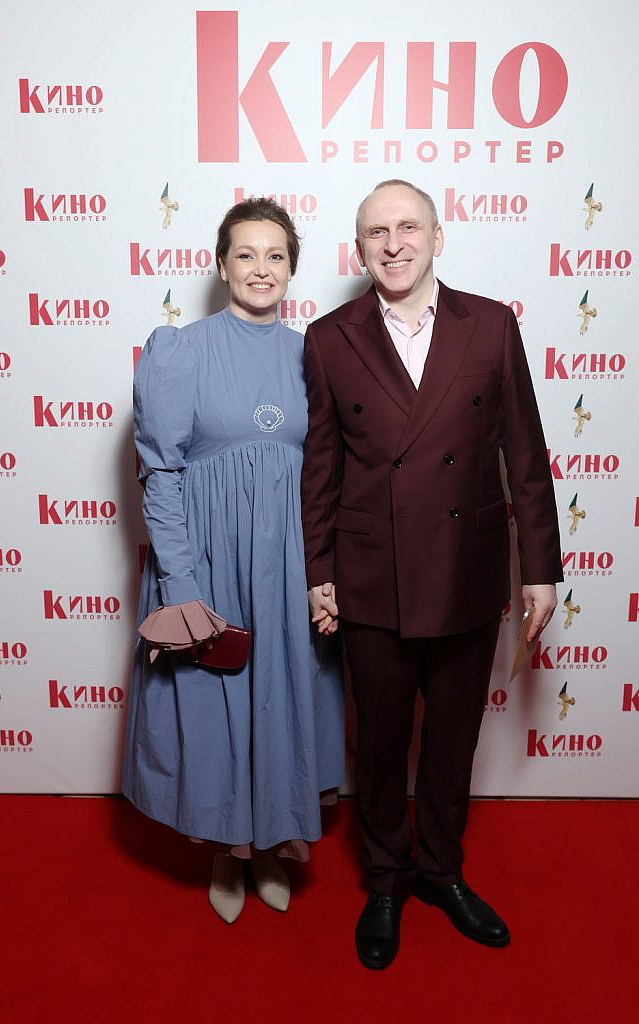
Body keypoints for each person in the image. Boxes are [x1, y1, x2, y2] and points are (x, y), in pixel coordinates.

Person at [301, 180, 562, 969]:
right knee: (381, 746)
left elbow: (525, 452)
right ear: (358, 249)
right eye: (375, 232)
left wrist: (540, 569)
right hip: (369, 574)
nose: (393, 244)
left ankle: (441, 872)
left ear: (436, 237)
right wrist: (319, 569)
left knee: (451, 744)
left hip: (465, 569)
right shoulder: (328, 338)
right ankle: (385, 879)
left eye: (407, 226)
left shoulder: (491, 324)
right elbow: (320, 467)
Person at [123, 197, 344, 924]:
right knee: (216, 705)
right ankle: (225, 848)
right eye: (245, 254)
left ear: (291, 268)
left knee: (282, 698)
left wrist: (324, 572)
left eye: (275, 255)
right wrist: (180, 583)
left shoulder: (313, 354)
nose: (260, 268)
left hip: (287, 566)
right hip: (210, 560)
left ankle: (273, 841)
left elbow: (330, 473)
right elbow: (161, 474)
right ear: (221, 266)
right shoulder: (180, 351)